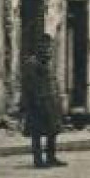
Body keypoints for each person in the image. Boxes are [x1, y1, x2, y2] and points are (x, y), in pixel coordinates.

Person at [21, 35, 65, 169]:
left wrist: (58, 99)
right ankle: (38, 160)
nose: (48, 51)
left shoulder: (47, 63)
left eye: (49, 48)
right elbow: (30, 86)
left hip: (51, 103)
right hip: (38, 104)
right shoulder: (32, 64)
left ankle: (51, 157)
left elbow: (53, 83)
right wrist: (35, 102)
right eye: (45, 47)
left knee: (52, 131)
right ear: (38, 48)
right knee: (37, 133)